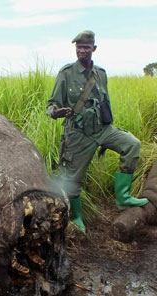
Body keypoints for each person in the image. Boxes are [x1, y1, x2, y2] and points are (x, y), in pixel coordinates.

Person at [47, 30, 148, 232]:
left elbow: (105, 102)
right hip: (79, 134)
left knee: (131, 145)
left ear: (94, 48)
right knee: (73, 180)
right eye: (78, 47)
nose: (82, 51)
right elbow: (51, 105)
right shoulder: (66, 73)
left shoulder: (100, 74)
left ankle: (123, 197)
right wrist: (57, 112)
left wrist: (109, 123)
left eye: (86, 47)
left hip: (103, 129)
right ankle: (77, 218)